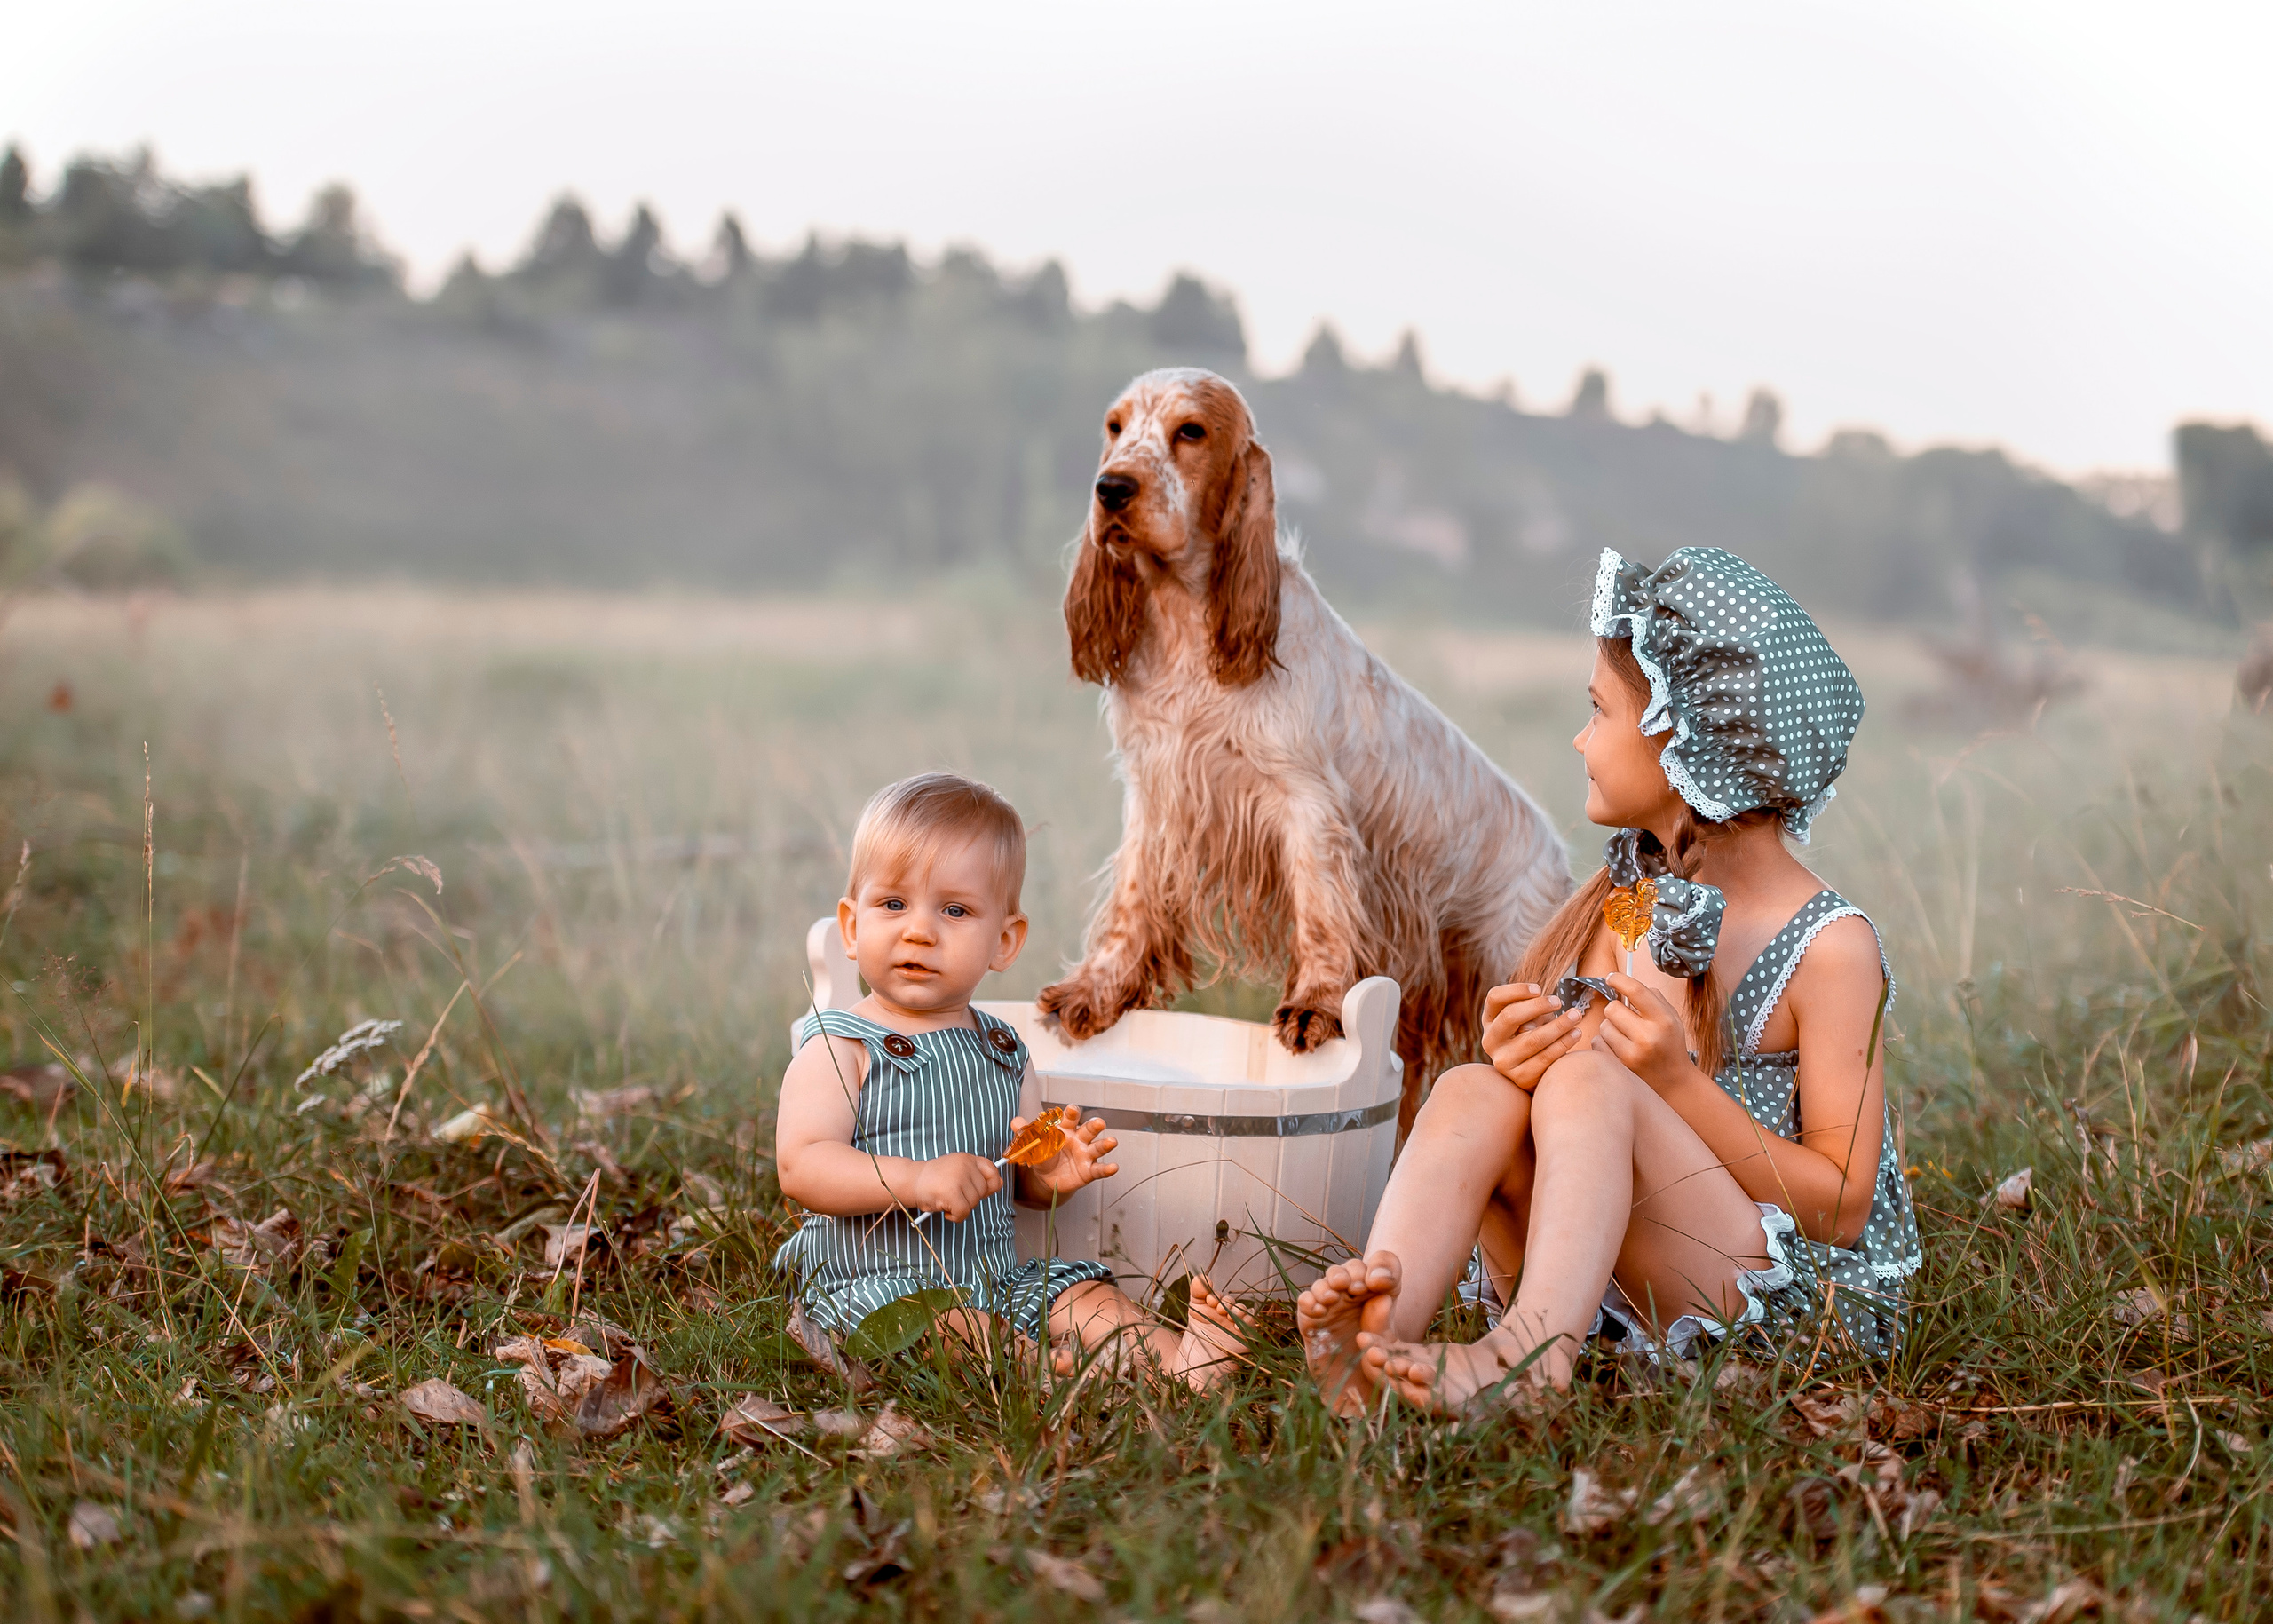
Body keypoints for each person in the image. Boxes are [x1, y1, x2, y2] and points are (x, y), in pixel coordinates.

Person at [1299, 547, 1921, 1412]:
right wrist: (1520, 1058)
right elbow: (1563, 1122)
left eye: (1598, 710)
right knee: (1475, 1089)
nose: (1579, 737)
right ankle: (1377, 1331)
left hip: (1784, 1305)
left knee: (1595, 1081)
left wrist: (1674, 1082)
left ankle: (1531, 1354)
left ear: (1681, 736)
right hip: (1624, 1278)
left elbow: (1842, 1207)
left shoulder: (1829, 947)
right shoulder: (1621, 903)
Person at [774, 772, 1245, 1389]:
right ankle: (1041, 1374)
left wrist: (1052, 1177)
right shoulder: (842, 1044)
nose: (919, 929)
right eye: (893, 903)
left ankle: (1179, 1360)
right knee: (953, 1323)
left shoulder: (1004, 1048)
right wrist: (917, 1178)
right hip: (876, 1286)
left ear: (1004, 940)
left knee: (1082, 1294)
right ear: (853, 925)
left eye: (955, 909)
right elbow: (802, 1166)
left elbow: (1022, 1182)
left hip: (996, 1276)